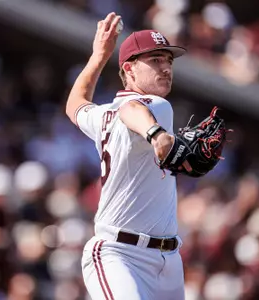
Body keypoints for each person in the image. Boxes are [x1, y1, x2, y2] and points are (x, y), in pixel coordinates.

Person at [65, 12, 190, 300]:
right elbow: (131, 111)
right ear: (129, 70)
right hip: (120, 255)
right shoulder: (157, 107)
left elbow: (75, 105)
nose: (166, 67)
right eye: (156, 60)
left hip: (169, 261)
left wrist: (98, 57)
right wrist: (156, 133)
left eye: (169, 61)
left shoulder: (102, 114)